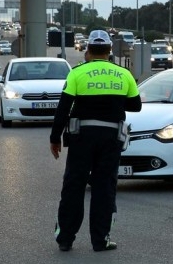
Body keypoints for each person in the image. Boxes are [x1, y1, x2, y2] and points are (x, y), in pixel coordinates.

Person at [49, 29, 142, 251]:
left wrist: (55, 138)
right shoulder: (123, 74)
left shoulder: (77, 74)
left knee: (74, 186)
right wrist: (114, 103)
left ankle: (65, 239)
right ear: (110, 51)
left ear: (88, 50)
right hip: (111, 139)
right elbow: (135, 105)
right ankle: (100, 240)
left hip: (81, 137)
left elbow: (63, 109)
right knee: (104, 188)